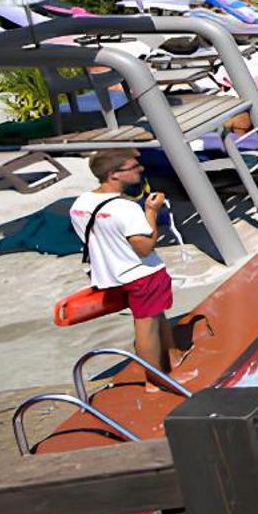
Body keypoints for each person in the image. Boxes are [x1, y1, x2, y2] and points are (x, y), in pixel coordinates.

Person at [69, 149, 176, 389]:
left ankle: (173, 355)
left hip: (110, 274)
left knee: (156, 314)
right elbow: (145, 248)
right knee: (145, 326)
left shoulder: (80, 205)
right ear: (114, 174)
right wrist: (151, 212)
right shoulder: (126, 208)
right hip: (142, 274)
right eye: (133, 167)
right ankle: (155, 381)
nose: (140, 169)